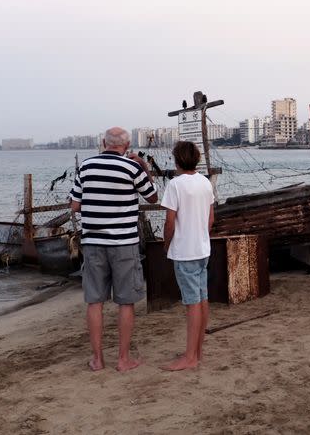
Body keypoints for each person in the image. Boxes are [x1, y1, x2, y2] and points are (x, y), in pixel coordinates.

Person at [70, 127, 158, 372]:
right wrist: (143, 166)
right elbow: (152, 197)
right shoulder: (132, 168)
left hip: (93, 243)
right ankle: (123, 359)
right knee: (126, 302)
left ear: (103, 143)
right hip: (123, 244)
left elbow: (75, 205)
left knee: (94, 302)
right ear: (127, 145)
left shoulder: (86, 167)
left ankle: (97, 359)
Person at [160, 141, 215, 371]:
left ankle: (190, 356)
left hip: (185, 252)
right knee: (202, 300)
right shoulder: (205, 182)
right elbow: (211, 220)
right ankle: (197, 351)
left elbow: (170, 222)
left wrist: (166, 244)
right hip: (203, 249)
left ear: (177, 160)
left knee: (191, 304)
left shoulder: (175, 185)